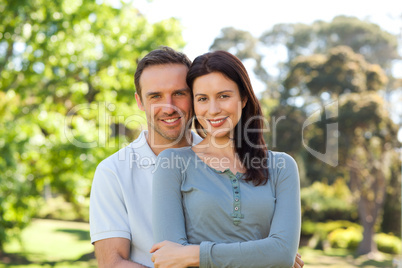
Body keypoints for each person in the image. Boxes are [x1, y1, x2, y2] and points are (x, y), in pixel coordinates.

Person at [90, 46, 304, 268]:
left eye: (179, 94)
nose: (169, 107)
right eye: (155, 96)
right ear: (140, 102)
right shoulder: (114, 171)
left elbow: (280, 252)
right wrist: (260, 258)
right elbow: (113, 264)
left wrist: (274, 255)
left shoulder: (275, 164)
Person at [151, 50, 301, 268]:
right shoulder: (172, 164)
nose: (213, 110)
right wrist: (263, 254)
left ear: (243, 98)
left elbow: (282, 254)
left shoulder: (281, 167)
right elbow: (170, 260)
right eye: (202, 99)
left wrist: (195, 255)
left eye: (224, 96)